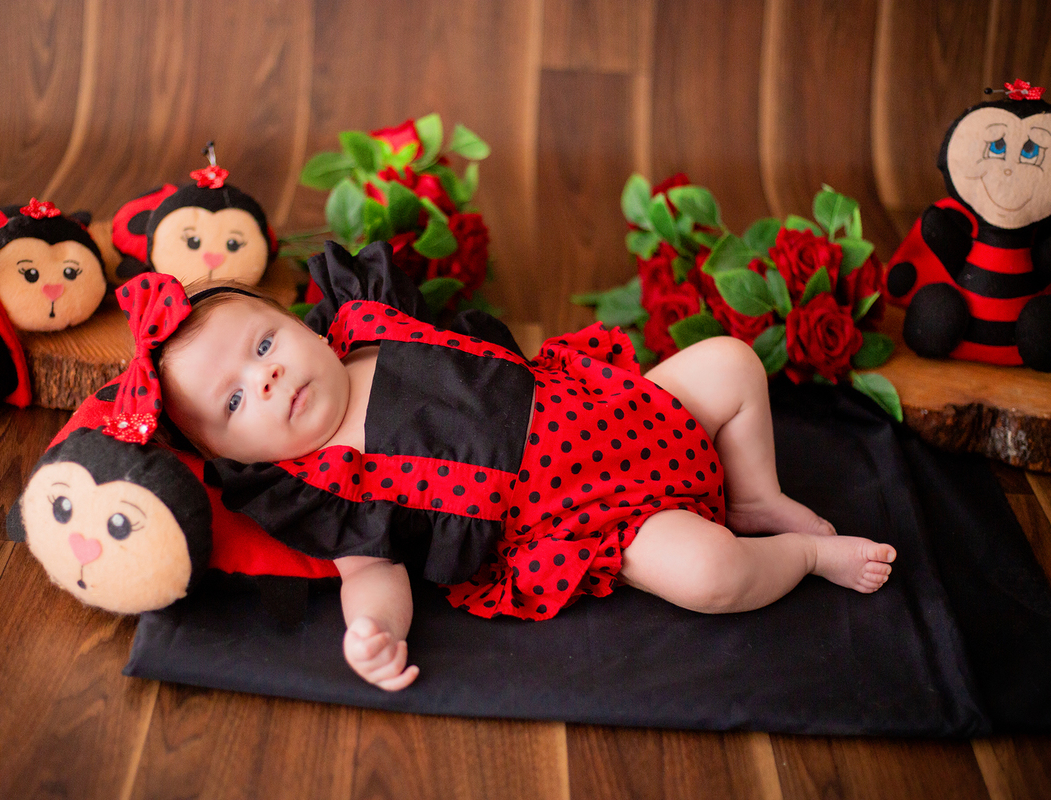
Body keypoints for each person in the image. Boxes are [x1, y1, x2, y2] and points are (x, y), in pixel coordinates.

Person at [148, 241, 896, 692]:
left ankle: (757, 495)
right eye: (236, 401)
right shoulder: (332, 489)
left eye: (265, 347)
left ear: (298, 323)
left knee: (732, 364)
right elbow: (373, 574)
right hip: (589, 518)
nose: (267, 378)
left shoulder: (368, 320)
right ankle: (799, 554)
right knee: (709, 575)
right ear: (231, 458)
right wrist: (373, 631)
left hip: (614, 405)